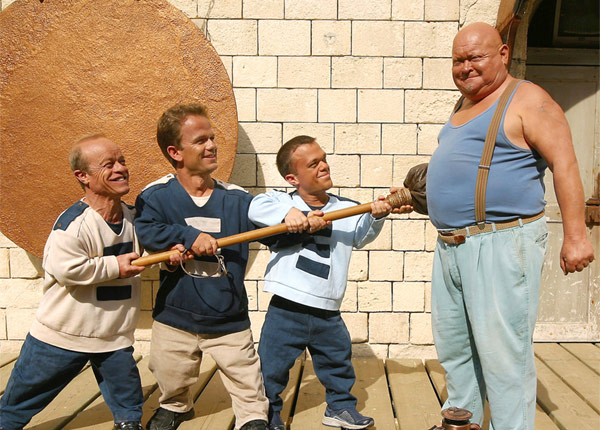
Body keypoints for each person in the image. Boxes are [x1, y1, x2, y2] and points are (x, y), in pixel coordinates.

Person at [426, 22, 595, 430]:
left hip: (501, 243)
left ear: (503, 54)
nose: (465, 67)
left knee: (504, 356)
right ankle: (462, 423)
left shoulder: (528, 99)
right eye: (458, 60)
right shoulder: (463, 104)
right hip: (451, 246)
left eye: (475, 57)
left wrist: (576, 235)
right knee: (456, 349)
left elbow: (566, 165)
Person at [248, 136, 411, 430]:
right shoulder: (281, 201)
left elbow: (361, 235)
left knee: (337, 360)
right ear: (292, 178)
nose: (324, 165)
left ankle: (340, 408)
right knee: (271, 366)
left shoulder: (347, 208)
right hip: (288, 306)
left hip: (327, 307)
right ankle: (268, 412)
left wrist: (377, 216)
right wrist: (289, 215)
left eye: (323, 158)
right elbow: (255, 207)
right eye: (313, 164)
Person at [134, 104, 269, 430]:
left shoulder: (237, 199)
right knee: (168, 370)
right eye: (200, 140)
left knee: (247, 378)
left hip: (228, 316)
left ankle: (252, 417)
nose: (212, 145)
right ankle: (176, 405)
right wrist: (187, 236)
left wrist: (297, 216)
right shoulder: (156, 197)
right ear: (175, 152)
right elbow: (147, 231)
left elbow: (272, 215)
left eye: (212, 138)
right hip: (175, 316)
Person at [0, 134, 147, 430]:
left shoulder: (134, 218)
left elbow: (155, 245)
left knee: (129, 405)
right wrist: (114, 265)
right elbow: (67, 270)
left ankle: (128, 423)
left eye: (122, 161)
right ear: (82, 176)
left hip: (113, 335)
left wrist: (174, 251)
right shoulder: (72, 225)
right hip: (62, 335)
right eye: (108, 164)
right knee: (19, 404)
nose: (120, 168)